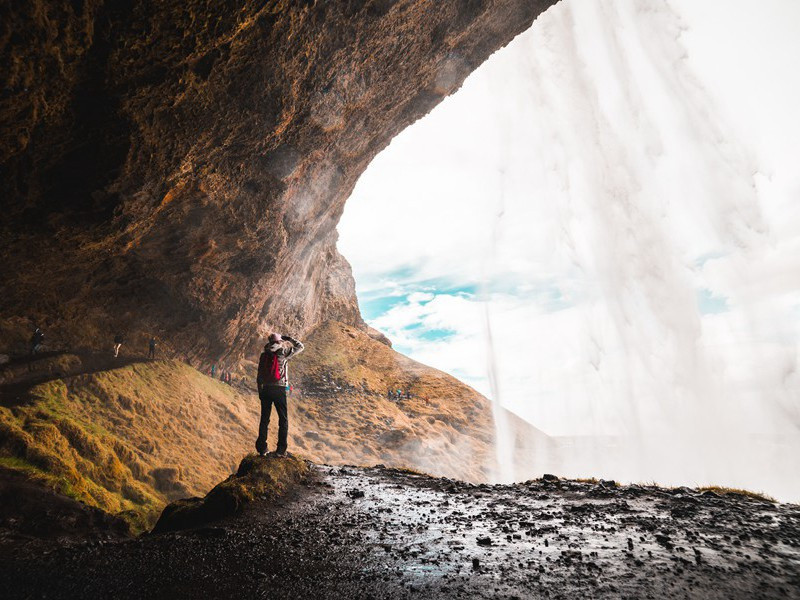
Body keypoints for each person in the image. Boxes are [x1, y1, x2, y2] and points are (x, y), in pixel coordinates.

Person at [256, 332, 304, 457]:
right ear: (278, 342)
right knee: (283, 420)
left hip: (266, 389)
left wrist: (260, 391)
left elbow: (259, 375)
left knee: (264, 419)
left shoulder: (263, 355)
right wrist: (288, 339)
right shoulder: (283, 352)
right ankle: (281, 450)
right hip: (279, 389)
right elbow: (300, 347)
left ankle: (262, 449)